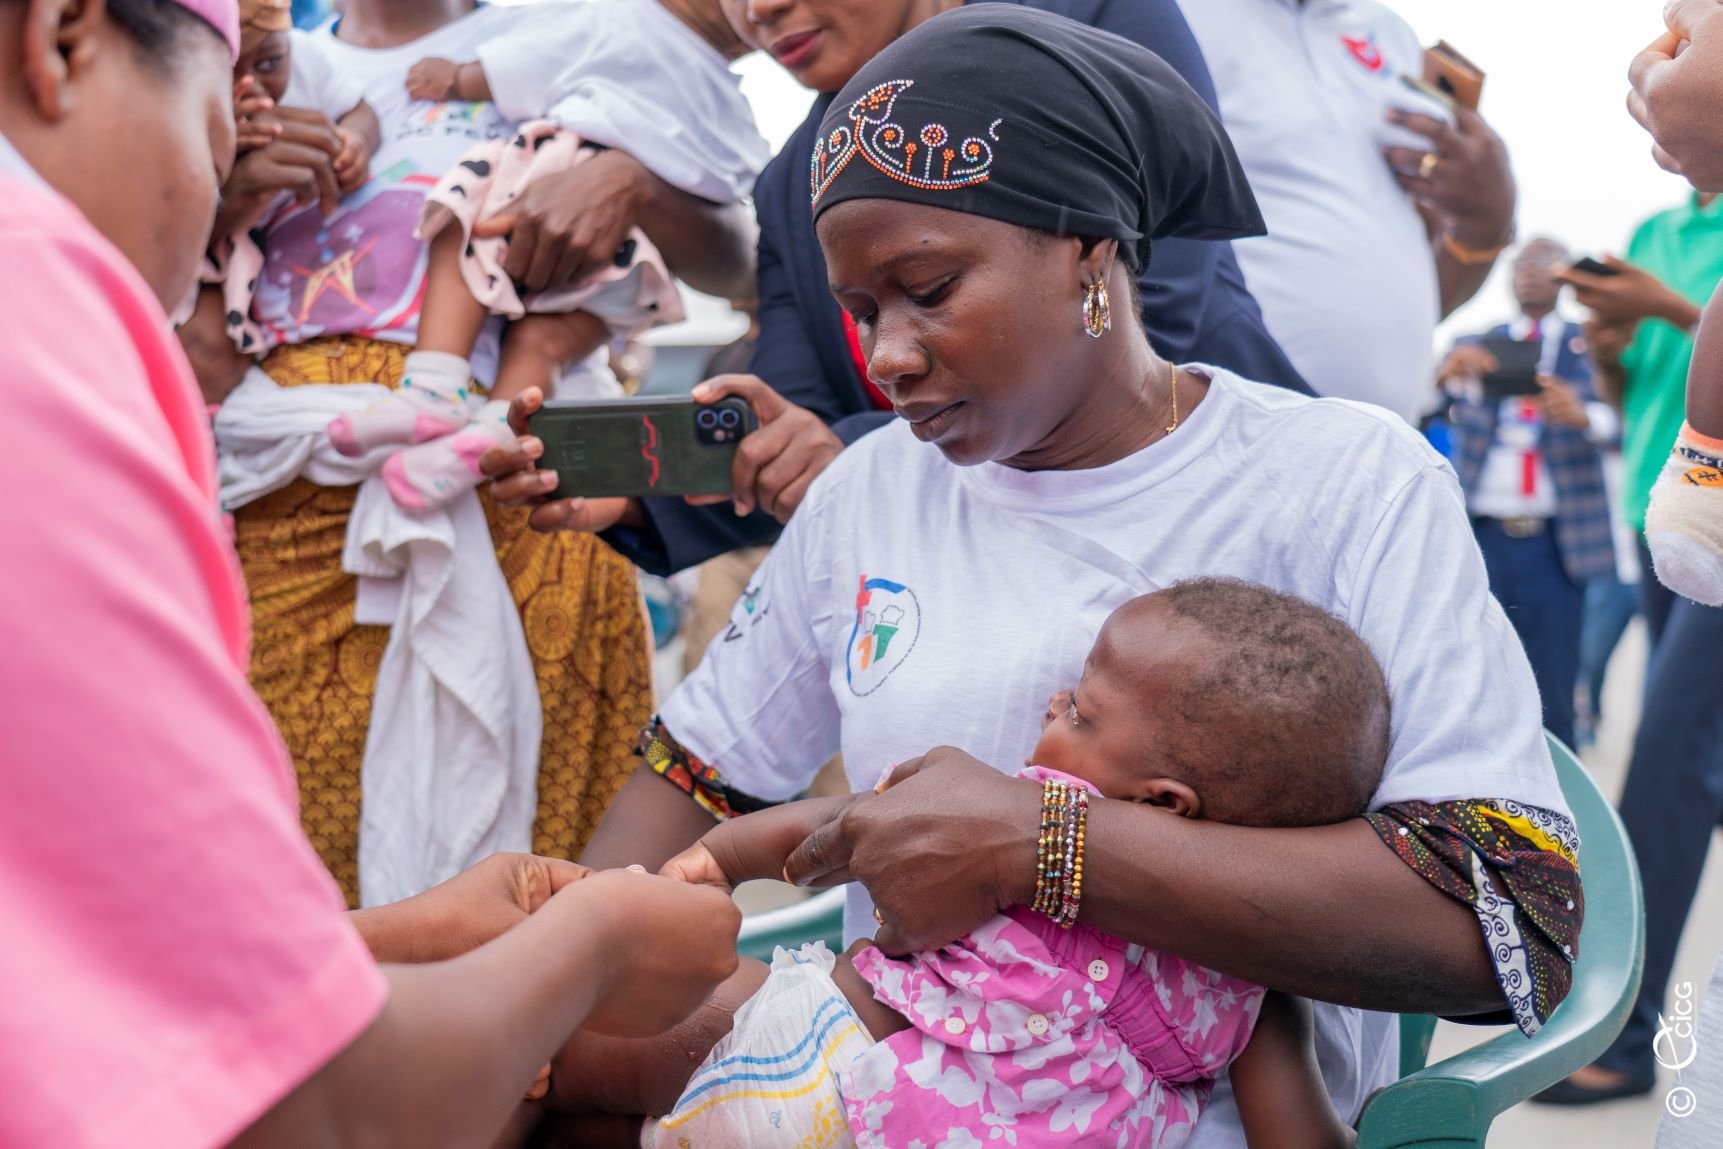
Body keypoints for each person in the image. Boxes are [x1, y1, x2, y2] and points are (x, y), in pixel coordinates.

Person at [487, 9, 1583, 1145]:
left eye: (929, 287)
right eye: (860, 313)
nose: (890, 358)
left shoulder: (1341, 481)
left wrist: (1039, 844)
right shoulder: (872, 493)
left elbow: (1502, 925)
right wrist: (564, 963)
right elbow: (699, 778)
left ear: (1089, 255)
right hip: (886, 1104)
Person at [0, 0, 741, 1145]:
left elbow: (110, 967)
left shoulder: (573, 45)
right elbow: (312, 1101)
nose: (208, 198)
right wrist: (591, 947)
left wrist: (395, 937)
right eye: (212, 134)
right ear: (58, 40)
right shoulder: (42, 317)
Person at [184, 0, 755, 906]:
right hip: (287, 522)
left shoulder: (566, 36)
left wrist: (630, 183)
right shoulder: (262, 69)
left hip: (523, 496)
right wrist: (232, 193)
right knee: (290, 874)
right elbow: (187, 318)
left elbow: (741, 260)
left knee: (534, 890)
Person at [519, 0, 1315, 579]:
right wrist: (641, 493)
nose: (759, 10)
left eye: (931, 287)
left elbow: (1152, 310)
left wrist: (849, 452)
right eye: (861, 309)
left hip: (1234, 521)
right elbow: (800, 416)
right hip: (983, 584)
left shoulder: (1085, 28)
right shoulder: (789, 186)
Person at [624, 580, 1375, 1149]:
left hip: (808, 1065)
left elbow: (846, 822)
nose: (1053, 705)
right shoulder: (1252, 985)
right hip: (845, 1100)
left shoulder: (1038, 818)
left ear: (1163, 804)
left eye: (1079, 711)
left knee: (583, 1069)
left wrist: (718, 858)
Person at [323, 0, 768, 512]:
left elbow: (524, 66)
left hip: (560, 215)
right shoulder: (725, 91)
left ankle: (432, 388)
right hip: (632, 269)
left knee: (459, 218)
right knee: (548, 342)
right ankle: (493, 433)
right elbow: (745, 179)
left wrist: (458, 78)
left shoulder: (598, 19)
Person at [1534, 11, 1723, 1105]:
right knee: (1685, 754)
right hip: (1672, 505)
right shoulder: (1658, 222)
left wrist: (1662, 309)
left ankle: (1626, 1023)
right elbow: (1644, 385)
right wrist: (1614, 347)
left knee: (1668, 753)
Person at [1174, 0, 1516, 423]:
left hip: (1385, 451)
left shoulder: (1392, 35)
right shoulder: (1166, 16)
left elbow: (1406, 285)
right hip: (1223, 434)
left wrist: (1489, 220)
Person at [1431, 237, 1617, 748]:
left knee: (1554, 684)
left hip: (1557, 543)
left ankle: (1561, 806)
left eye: (1542, 262)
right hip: (1481, 535)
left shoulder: (1591, 345)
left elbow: (1626, 424)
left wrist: (1586, 416)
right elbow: (1430, 410)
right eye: (1520, 263)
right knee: (1475, 675)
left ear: (1564, 275)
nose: (1528, 273)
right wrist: (1447, 379)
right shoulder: (1477, 344)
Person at [176, 0, 379, 365]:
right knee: (207, 346)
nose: (250, 84)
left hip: (298, 244)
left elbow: (359, 109)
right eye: (226, 69)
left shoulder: (307, 59)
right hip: (211, 250)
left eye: (270, 63)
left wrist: (353, 143)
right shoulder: (178, 94)